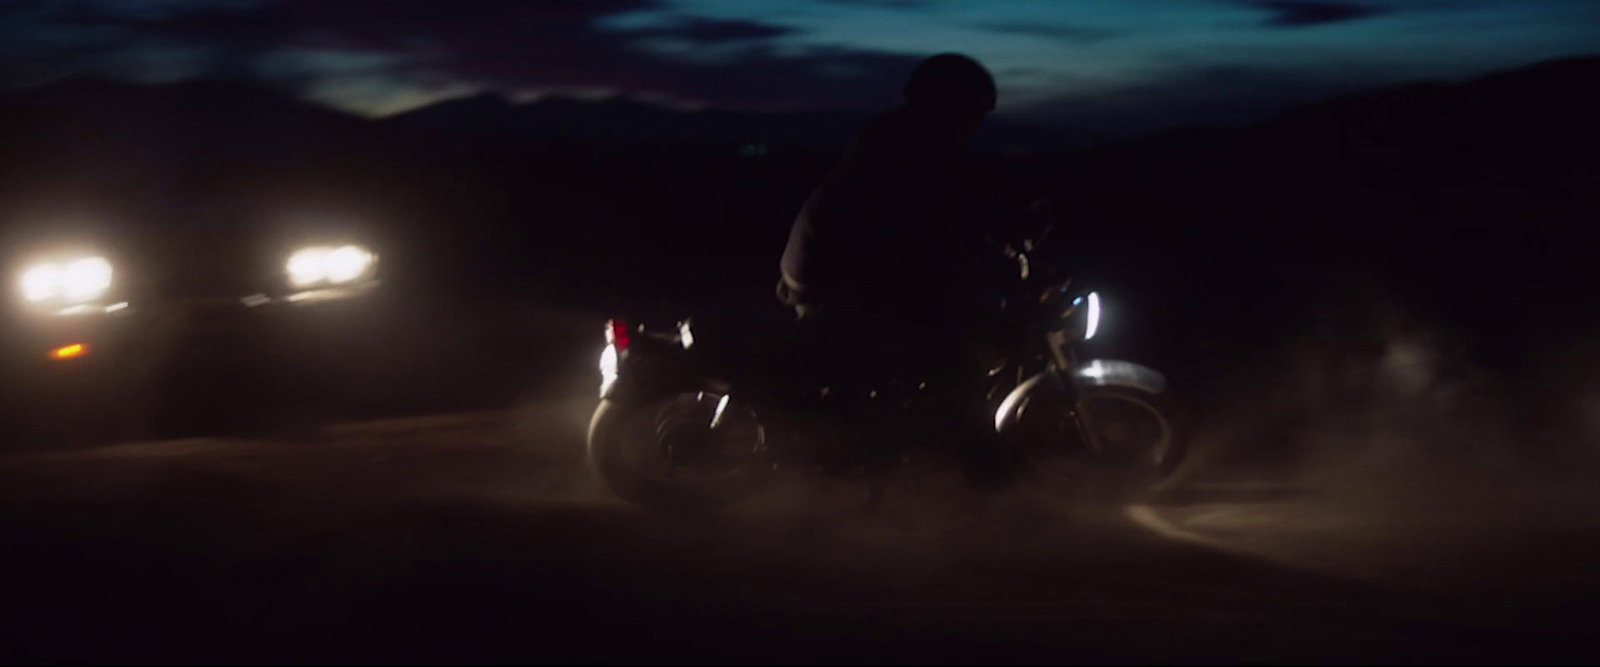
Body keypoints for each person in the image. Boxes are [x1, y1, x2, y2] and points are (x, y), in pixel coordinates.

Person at [774, 53, 1015, 489]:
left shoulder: (907, 135)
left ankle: (895, 448)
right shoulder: (911, 143)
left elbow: (940, 214)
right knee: (953, 360)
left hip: (836, 264)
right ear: (950, 104)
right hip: (836, 273)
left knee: (925, 339)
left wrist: (992, 238)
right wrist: (989, 260)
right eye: (974, 110)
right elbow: (925, 221)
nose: (975, 123)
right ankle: (981, 482)